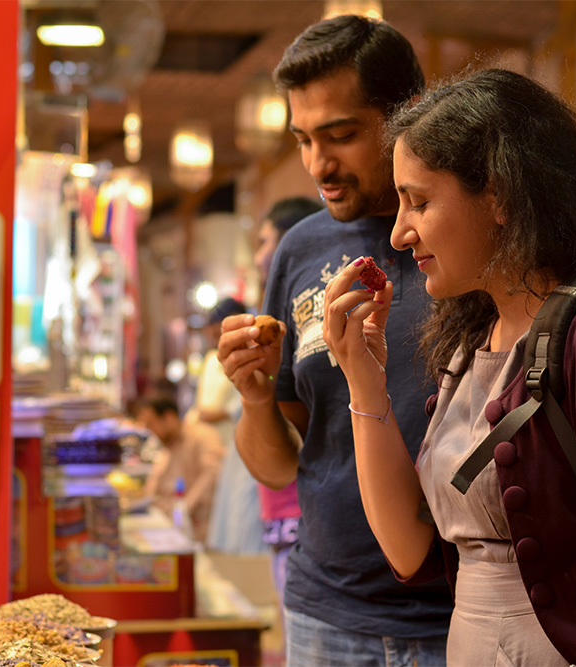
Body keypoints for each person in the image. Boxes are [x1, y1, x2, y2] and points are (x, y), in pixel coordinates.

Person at [321, 68, 576, 666]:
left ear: (502, 195)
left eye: (420, 201)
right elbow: (411, 551)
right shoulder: (472, 338)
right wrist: (361, 375)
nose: (401, 234)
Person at [216, 14, 453, 666]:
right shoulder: (301, 249)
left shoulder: (462, 239)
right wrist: (256, 395)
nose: (319, 163)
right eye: (302, 139)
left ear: (408, 115)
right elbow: (279, 463)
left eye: (342, 135)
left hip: (457, 612)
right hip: (325, 609)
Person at [250, 196, 323, 608]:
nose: (260, 256)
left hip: (302, 504)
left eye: (264, 242)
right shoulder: (277, 311)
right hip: (283, 493)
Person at [193, 297, 267, 554]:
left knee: (245, 512)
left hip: (241, 439)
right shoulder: (211, 360)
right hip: (215, 449)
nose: (212, 334)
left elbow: (254, 390)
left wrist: (222, 413)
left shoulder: (253, 351)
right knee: (227, 511)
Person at [137, 395, 225, 544]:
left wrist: (184, 508)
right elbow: (154, 484)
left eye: (151, 424)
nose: (151, 431)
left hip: (202, 531)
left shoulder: (202, 436)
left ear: (169, 418)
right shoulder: (167, 447)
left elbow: (211, 474)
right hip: (171, 527)